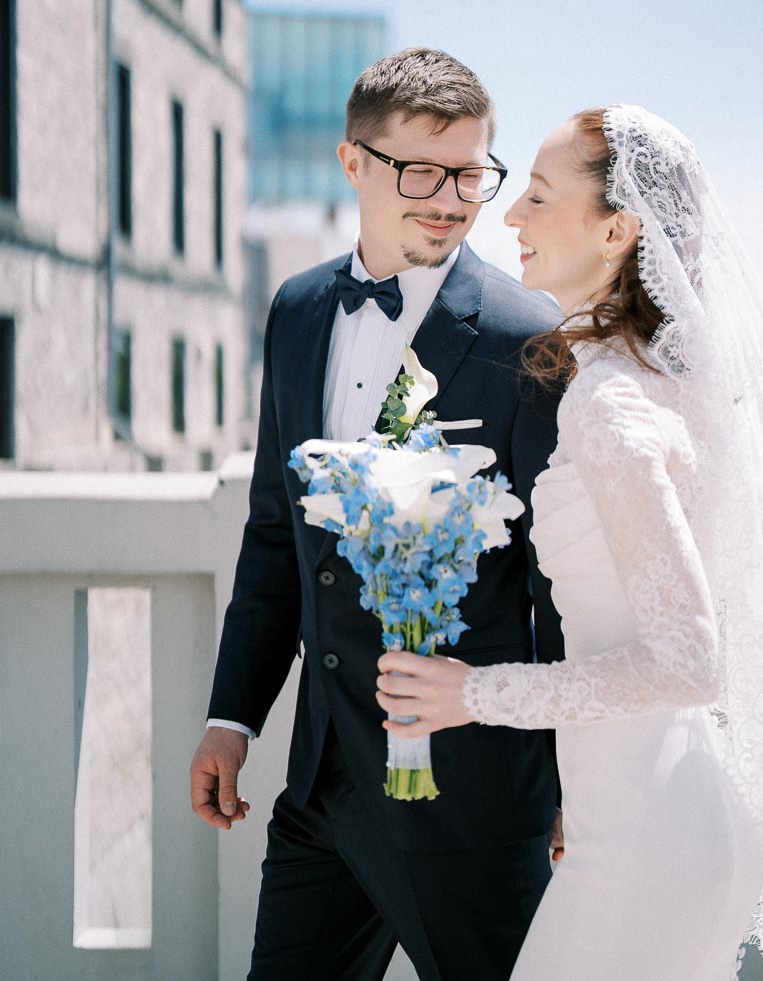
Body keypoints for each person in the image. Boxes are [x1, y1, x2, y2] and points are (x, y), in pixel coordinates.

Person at [377, 105, 763, 981]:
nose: (509, 219)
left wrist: (477, 694)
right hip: (648, 817)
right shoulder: (668, 387)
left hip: (647, 848)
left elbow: (690, 658)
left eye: (538, 197)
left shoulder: (610, 406)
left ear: (616, 230)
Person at [189, 48, 565, 981]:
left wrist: (574, 782)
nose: (452, 199)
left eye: (473, 172)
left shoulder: (529, 337)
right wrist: (233, 718)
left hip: (472, 806)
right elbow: (277, 534)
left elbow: (558, 584)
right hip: (320, 788)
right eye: (421, 171)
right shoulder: (297, 309)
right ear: (354, 162)